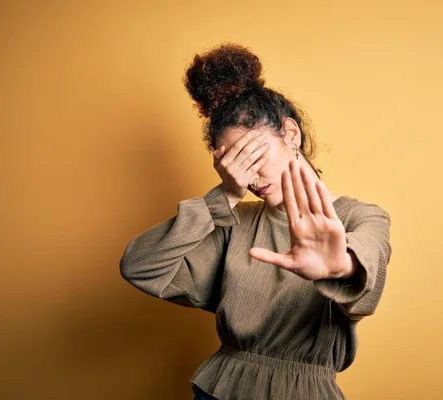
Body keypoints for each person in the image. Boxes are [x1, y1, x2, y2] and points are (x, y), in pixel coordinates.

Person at [120, 43, 392, 400]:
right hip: (218, 389)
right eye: (232, 163)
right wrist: (225, 196)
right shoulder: (232, 222)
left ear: (290, 134)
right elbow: (140, 266)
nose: (249, 175)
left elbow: (367, 271)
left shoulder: (358, 217)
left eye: (252, 153)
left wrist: (338, 266)